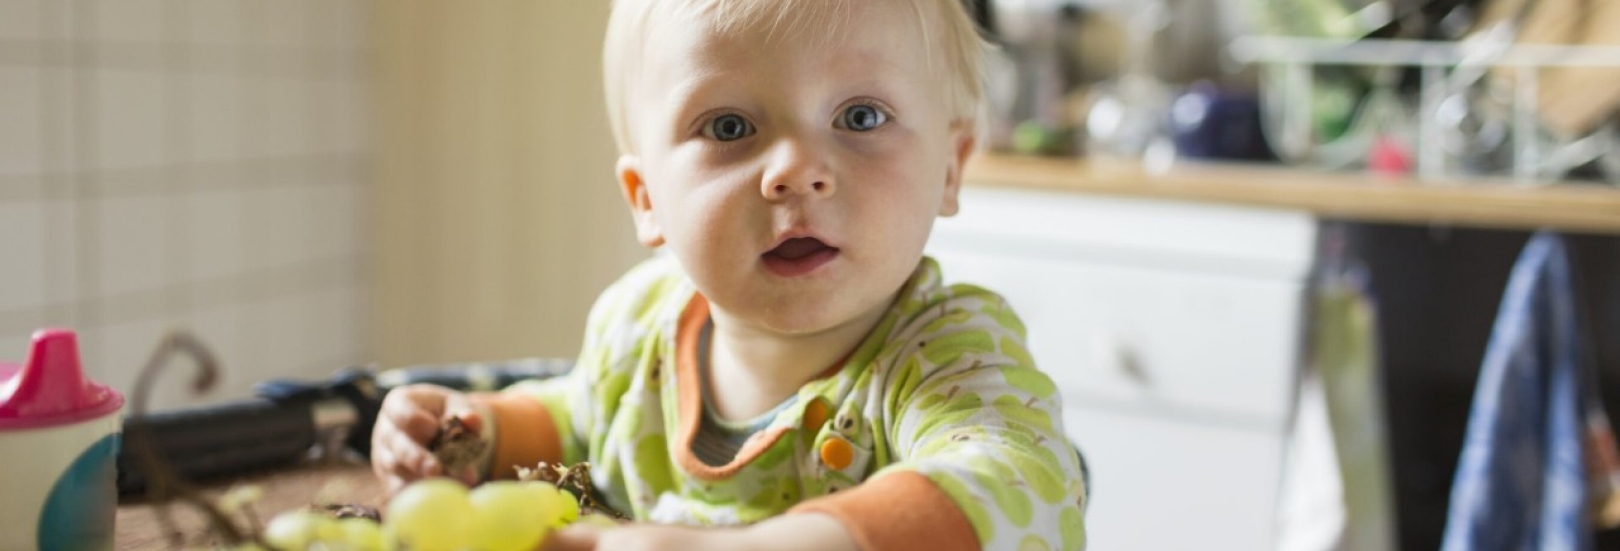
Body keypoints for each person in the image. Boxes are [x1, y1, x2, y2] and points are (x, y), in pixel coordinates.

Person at [370, 0, 1087, 549]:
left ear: (952, 168)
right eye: (729, 128)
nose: (796, 172)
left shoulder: (947, 352)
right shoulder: (638, 327)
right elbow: (580, 418)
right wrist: (476, 431)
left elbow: (1026, 489)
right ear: (646, 198)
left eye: (861, 116)